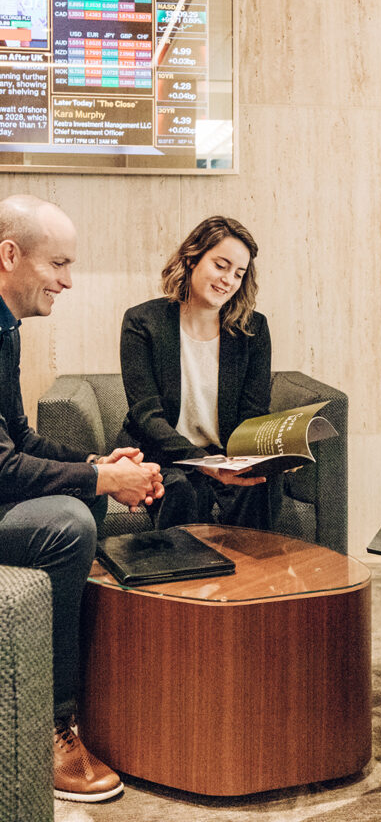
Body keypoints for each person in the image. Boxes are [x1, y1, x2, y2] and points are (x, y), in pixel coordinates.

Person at [0, 194, 163, 803]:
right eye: (58, 264)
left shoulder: (5, 327)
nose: (69, 281)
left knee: (81, 502)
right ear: (10, 255)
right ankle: (48, 726)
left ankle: (79, 694)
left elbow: (18, 436)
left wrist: (95, 464)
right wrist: (99, 482)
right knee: (68, 522)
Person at [118, 215, 282, 530]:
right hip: (164, 453)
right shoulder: (142, 322)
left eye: (238, 273)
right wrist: (203, 463)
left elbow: (254, 413)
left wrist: (271, 455)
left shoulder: (253, 329)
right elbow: (146, 416)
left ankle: (254, 576)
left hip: (225, 455)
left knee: (262, 481)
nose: (228, 280)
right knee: (182, 487)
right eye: (221, 265)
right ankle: (184, 576)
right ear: (192, 259)